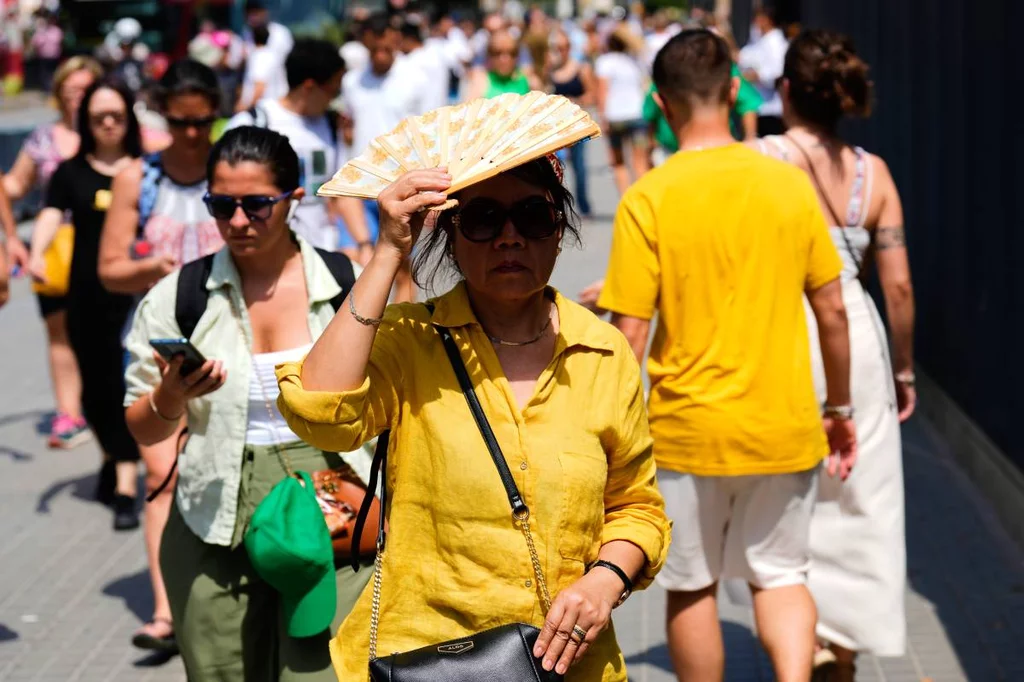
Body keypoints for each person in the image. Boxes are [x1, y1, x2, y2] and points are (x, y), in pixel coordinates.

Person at [276, 152, 671, 680]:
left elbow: (636, 508)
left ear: (559, 229)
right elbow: (319, 411)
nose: (510, 237)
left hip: (569, 665)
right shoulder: (410, 341)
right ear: (451, 236)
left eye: (533, 215)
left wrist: (603, 582)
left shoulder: (603, 351)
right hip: (429, 659)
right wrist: (390, 250)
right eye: (483, 219)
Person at [596, 30, 856, 682]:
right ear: (736, 89)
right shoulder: (790, 187)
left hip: (687, 432)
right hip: (785, 419)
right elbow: (832, 309)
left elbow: (629, 333)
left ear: (660, 101)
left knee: (691, 585)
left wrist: (609, 440)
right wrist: (841, 406)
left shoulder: (648, 197)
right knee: (782, 576)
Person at [122, 126, 371, 681]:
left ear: (293, 199)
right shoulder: (179, 297)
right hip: (215, 508)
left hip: (333, 501)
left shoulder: (346, 283)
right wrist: (170, 395)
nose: (237, 221)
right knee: (221, 670)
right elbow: (140, 427)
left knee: (327, 672)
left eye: (257, 205)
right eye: (221, 205)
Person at [754, 30, 914, 682]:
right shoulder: (874, 174)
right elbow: (898, 285)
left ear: (785, 90)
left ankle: (803, 634)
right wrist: (903, 368)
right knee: (859, 494)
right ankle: (842, 649)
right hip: (858, 333)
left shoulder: (759, 160)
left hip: (782, 330)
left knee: (789, 490)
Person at [98, 58, 226, 655]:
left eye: (205, 121)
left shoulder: (234, 172)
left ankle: (225, 593)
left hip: (231, 336)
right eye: (182, 122)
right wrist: (151, 269)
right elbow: (108, 269)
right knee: (159, 473)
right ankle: (165, 609)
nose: (195, 134)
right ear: (164, 117)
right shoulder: (137, 178)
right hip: (160, 341)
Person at [27, 78, 144, 530]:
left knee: (126, 387)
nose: (108, 124)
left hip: (136, 298)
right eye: (99, 117)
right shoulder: (70, 173)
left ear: (130, 118)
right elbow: (51, 214)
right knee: (95, 394)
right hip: (86, 298)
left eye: (116, 115)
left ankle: (125, 486)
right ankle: (113, 457)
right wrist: (36, 253)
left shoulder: (143, 169)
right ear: (86, 122)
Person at [3, 56, 102, 449]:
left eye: (86, 90)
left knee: (107, 334)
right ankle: (68, 413)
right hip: (56, 250)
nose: (78, 98)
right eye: (71, 91)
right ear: (59, 95)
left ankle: (107, 405)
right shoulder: (44, 140)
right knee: (60, 335)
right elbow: (10, 186)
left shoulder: (116, 132)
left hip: (106, 247)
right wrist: (12, 238)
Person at [226, 38, 352, 252]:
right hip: (267, 253)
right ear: (309, 87)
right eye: (333, 91)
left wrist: (363, 242)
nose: (334, 100)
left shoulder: (330, 125)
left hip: (321, 251)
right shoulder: (253, 123)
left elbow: (343, 192)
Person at [336, 14, 425, 300]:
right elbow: (347, 130)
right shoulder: (352, 82)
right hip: (360, 185)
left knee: (401, 265)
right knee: (357, 260)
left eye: (387, 48)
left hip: (403, 182)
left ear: (395, 41)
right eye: (375, 50)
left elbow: (428, 131)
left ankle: (398, 332)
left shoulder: (415, 79)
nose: (381, 55)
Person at [594, 26, 648, 195]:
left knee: (618, 162)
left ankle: (626, 199)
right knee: (640, 162)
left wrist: (602, 117)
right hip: (637, 115)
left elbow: (603, 92)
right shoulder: (635, 61)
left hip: (615, 116)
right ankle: (643, 199)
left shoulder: (605, 61)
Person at [548, 29, 595, 216]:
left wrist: (574, 101)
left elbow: (592, 95)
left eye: (564, 47)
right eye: (556, 47)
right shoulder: (549, 71)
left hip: (576, 125)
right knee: (553, 167)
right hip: (555, 126)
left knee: (580, 166)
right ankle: (555, 206)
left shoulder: (581, 68)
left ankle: (584, 204)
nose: (561, 51)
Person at [738, 6, 788, 136]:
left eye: (759, 18)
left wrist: (755, 76)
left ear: (768, 20)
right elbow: (743, 57)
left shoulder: (775, 41)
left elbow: (778, 72)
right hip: (760, 107)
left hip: (772, 109)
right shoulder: (760, 40)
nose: (756, 22)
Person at [465, 30, 532, 100]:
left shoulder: (528, 79)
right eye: (497, 53)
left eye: (512, 53)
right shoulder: (481, 80)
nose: (505, 59)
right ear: (489, 55)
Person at [399, 21, 448, 114]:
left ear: (408, 39)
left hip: (420, 118)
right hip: (441, 114)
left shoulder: (409, 62)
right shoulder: (437, 54)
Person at [236, 25, 288, 113]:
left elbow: (260, 85)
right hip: (274, 107)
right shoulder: (273, 55)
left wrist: (245, 108)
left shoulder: (258, 56)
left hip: (261, 110)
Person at [242, 0, 294, 67]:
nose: (253, 17)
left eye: (256, 13)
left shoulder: (281, 33)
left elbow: (282, 60)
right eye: (249, 13)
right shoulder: (245, 33)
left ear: (265, 12)